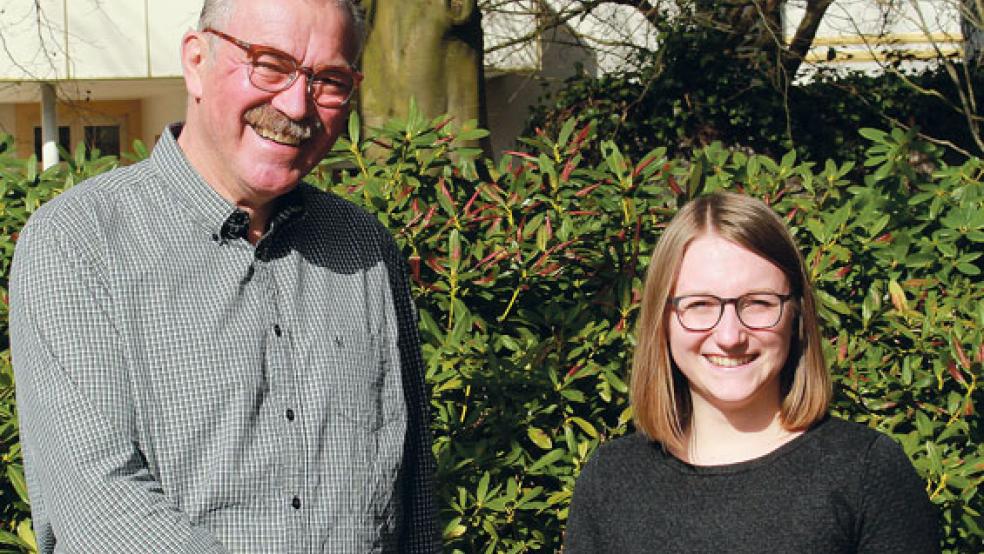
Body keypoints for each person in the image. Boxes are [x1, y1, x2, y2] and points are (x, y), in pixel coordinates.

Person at [10, 0, 439, 552]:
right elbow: (100, 506)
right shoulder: (80, 243)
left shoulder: (364, 246)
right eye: (269, 64)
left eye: (328, 80)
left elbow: (412, 489)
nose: (295, 104)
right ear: (195, 61)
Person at [564, 192, 939, 553]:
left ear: (795, 313)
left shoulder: (865, 471)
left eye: (758, 303)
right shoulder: (609, 482)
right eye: (700, 305)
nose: (729, 336)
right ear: (662, 320)